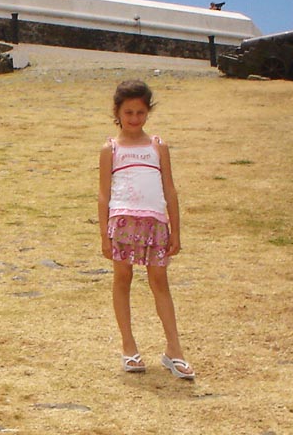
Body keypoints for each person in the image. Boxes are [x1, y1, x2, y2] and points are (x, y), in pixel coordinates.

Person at [98, 79, 195, 379]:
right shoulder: (110, 148)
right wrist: (104, 235)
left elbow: (170, 189)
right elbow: (103, 194)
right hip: (122, 221)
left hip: (155, 223)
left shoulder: (157, 146)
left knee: (159, 282)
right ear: (117, 112)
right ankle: (129, 347)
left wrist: (175, 230)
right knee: (122, 278)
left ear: (148, 112)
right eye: (128, 112)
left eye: (140, 112)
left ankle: (174, 351)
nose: (134, 119)